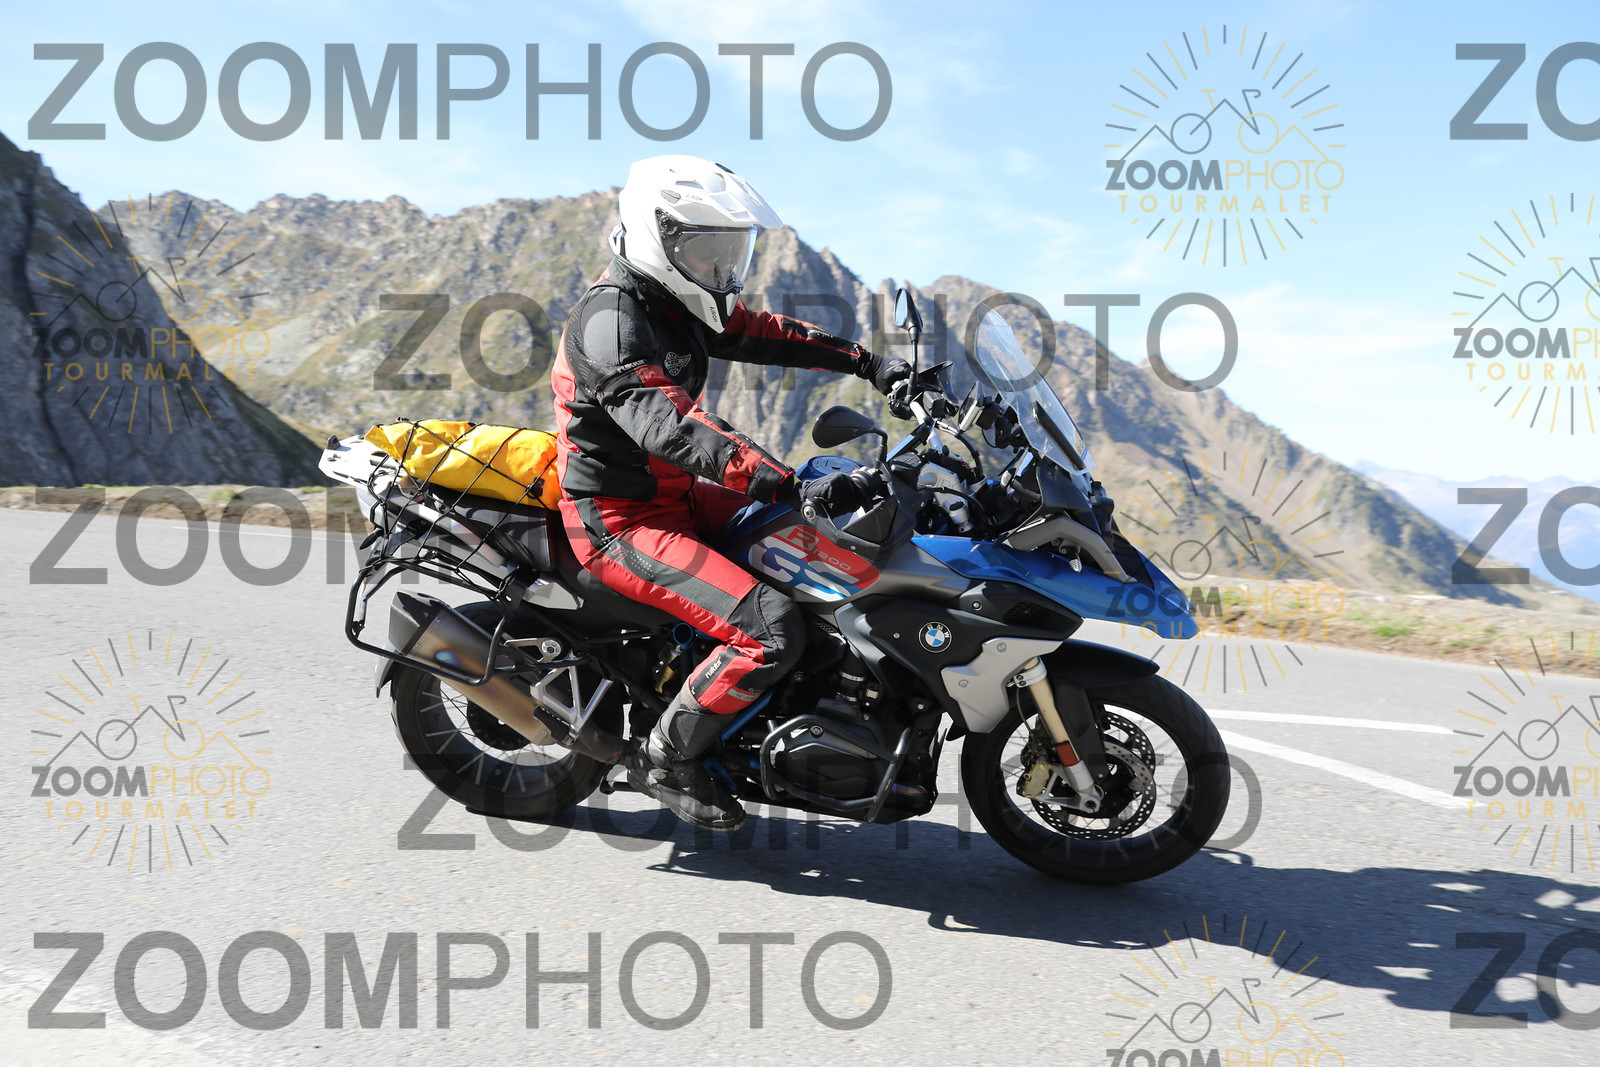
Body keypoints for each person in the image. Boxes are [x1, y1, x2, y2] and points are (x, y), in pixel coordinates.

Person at [551, 155, 910, 832]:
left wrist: (870, 364)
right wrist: (785, 480)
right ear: (657, 237)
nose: (721, 267)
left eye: (729, 250)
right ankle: (666, 758)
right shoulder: (612, 325)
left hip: (678, 496)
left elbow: (765, 332)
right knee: (771, 628)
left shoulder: (676, 300)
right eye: (706, 249)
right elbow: (674, 427)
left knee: (826, 548)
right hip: (620, 521)